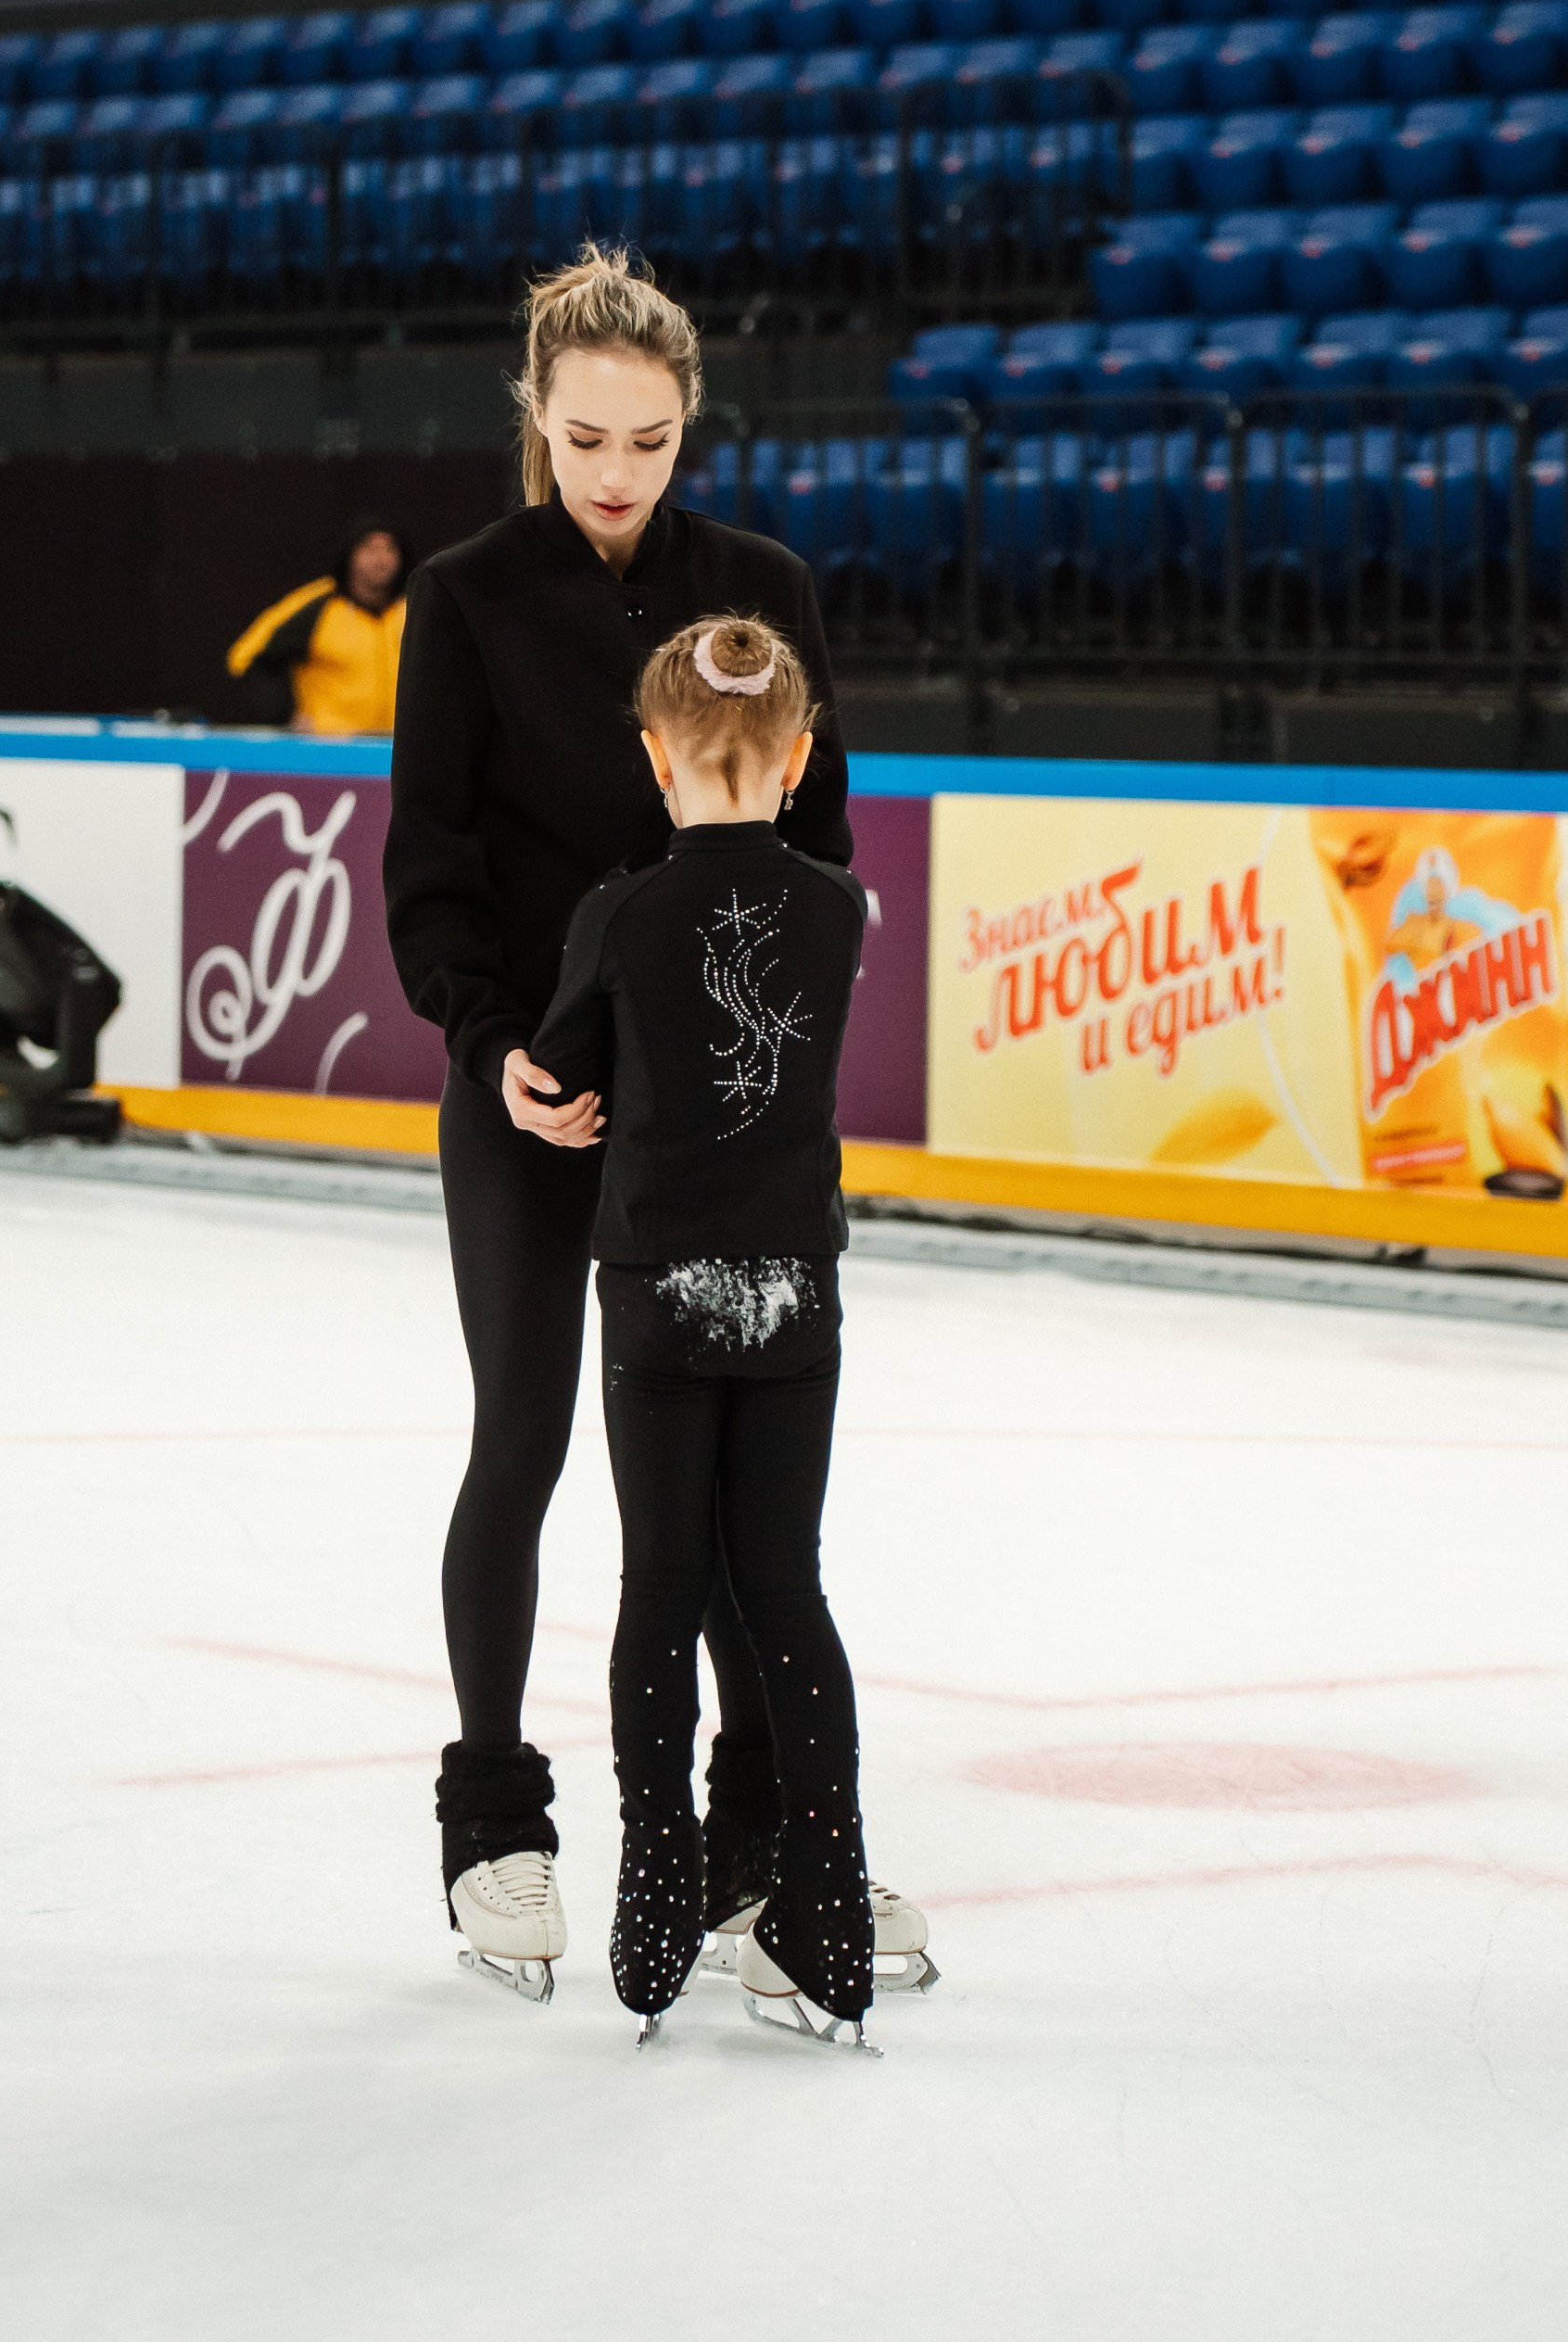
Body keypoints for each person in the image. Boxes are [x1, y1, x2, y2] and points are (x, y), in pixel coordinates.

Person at [383, 245, 929, 2003]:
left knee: (739, 1508)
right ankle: (497, 1824)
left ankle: (760, 1860)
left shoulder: (758, 586)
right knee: (525, 1442)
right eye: (589, 435)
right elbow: (431, 876)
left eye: (653, 438)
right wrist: (493, 1054)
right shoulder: (464, 598)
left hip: (714, 1128)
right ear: (536, 417)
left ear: (691, 423)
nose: (619, 471)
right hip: (542, 1105)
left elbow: (820, 836)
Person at [530, 614, 879, 2050]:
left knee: (664, 1581)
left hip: (661, 1291)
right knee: (782, 1587)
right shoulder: (841, 906)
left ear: (655, 757)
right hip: (794, 1289)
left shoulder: (620, 909)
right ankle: (826, 1893)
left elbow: (562, 1067)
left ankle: (661, 1870)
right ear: (796, 760)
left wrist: (550, 1080)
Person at [226, 515, 411, 735]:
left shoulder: (413, 608)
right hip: (329, 749)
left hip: (395, 749)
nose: (380, 559)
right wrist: (285, 715)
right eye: (369, 549)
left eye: (389, 549)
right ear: (350, 554)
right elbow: (246, 656)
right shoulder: (318, 605)